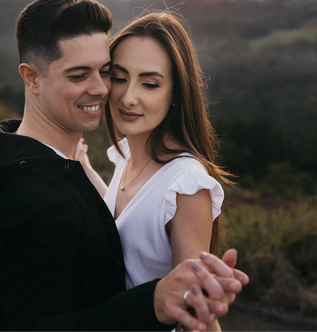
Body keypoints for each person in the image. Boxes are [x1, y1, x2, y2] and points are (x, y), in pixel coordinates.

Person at [0, 0, 248, 330]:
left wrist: (78, 169)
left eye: (104, 72)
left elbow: (196, 307)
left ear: (176, 93)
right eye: (80, 75)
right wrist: (153, 301)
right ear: (31, 77)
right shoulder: (40, 197)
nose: (104, 90)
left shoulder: (6, 149)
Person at [74, 11, 235, 331]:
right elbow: (129, 223)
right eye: (119, 78)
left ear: (176, 94)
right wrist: (84, 167)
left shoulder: (186, 185)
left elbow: (197, 311)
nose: (128, 97)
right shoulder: (127, 157)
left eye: (149, 84)